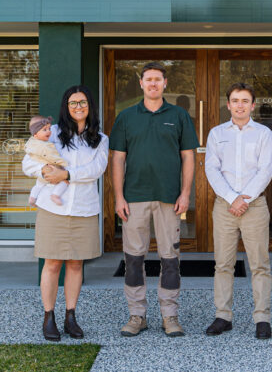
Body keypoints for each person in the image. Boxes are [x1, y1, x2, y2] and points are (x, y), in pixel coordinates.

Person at [109, 61, 198, 338]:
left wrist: (185, 194)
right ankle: (137, 316)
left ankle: (170, 317)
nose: (153, 84)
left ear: (165, 83)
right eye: (148, 79)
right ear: (141, 83)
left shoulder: (179, 115)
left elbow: (188, 157)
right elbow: (117, 159)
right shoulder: (126, 117)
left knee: (170, 259)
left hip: (169, 199)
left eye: (157, 79)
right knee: (133, 259)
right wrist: (118, 197)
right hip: (133, 198)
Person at [22, 85, 108, 342]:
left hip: (84, 209)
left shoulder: (101, 139)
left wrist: (67, 175)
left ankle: (71, 316)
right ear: (66, 107)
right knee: (52, 264)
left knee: (75, 264)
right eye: (73, 103)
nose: (78, 107)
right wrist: (48, 172)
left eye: (83, 102)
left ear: (89, 105)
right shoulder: (53, 133)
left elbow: (97, 169)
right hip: (53, 208)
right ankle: (49, 316)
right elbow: (28, 162)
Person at [204, 83, 272, 339]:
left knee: (260, 264)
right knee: (223, 264)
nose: (240, 105)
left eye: (245, 100)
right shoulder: (216, 133)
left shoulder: (264, 134)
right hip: (224, 206)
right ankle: (223, 316)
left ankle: (262, 319)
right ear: (228, 104)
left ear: (253, 105)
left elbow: (265, 170)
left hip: (254, 206)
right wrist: (233, 198)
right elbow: (211, 169)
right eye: (235, 100)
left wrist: (244, 198)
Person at [25, 115, 70, 206]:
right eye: (44, 130)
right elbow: (53, 158)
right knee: (65, 182)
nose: (49, 132)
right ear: (35, 134)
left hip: (41, 171)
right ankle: (55, 195)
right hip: (51, 169)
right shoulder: (45, 146)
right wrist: (64, 164)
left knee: (38, 185)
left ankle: (32, 198)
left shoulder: (31, 142)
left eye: (49, 128)